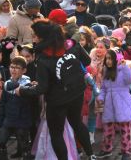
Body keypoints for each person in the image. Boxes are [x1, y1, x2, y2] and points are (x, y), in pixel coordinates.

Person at [18, 20, 95, 160]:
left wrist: (21, 91)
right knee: (77, 123)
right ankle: (91, 155)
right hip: (76, 91)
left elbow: (42, 88)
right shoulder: (71, 45)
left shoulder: (43, 58)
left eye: (34, 35)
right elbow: (87, 61)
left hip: (57, 100)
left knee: (56, 133)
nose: (33, 38)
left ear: (42, 37)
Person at [95, 49, 131, 159]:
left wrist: (124, 67)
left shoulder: (123, 70)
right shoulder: (106, 71)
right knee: (108, 129)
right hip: (109, 105)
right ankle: (106, 149)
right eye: (107, 58)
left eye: (110, 58)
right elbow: (103, 88)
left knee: (125, 130)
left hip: (123, 103)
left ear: (116, 59)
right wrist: (100, 97)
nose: (108, 61)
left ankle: (126, 151)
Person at [0, 56, 32, 159]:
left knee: (24, 146)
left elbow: (29, 105)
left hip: (22, 120)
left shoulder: (28, 84)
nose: (13, 70)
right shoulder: (7, 84)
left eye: (17, 67)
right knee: (0, 142)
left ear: (24, 70)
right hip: (8, 120)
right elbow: (2, 105)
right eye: (12, 67)